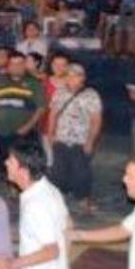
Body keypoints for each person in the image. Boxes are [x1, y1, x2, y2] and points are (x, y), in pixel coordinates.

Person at [49, 63, 102, 214]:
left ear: (83, 78)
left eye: (75, 75)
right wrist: (51, 134)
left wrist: (91, 141)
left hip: (81, 140)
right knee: (58, 171)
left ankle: (83, 200)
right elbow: (53, 114)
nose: (71, 78)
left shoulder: (91, 94)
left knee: (81, 171)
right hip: (61, 138)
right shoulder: (60, 92)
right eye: (69, 75)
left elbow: (96, 119)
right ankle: (57, 200)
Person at [0, 51, 46, 167]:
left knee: (23, 165)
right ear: (8, 66)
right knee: (3, 162)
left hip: (24, 132)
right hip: (2, 131)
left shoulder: (34, 83)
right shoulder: (0, 81)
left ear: (24, 65)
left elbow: (41, 108)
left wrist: (27, 127)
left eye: (20, 63)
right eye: (13, 64)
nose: (16, 67)